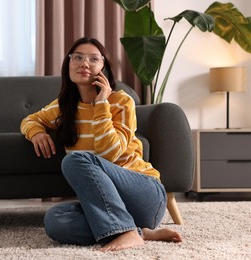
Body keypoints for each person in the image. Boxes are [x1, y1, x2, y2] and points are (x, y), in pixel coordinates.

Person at [20, 37, 182, 251]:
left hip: (145, 194)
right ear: (68, 64)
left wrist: (101, 104)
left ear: (103, 67)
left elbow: (110, 153)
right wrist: (37, 133)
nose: (84, 63)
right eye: (77, 57)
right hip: (107, 204)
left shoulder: (121, 101)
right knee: (55, 220)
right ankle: (138, 231)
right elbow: (30, 120)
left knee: (74, 160)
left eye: (93, 59)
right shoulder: (64, 107)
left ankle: (128, 231)